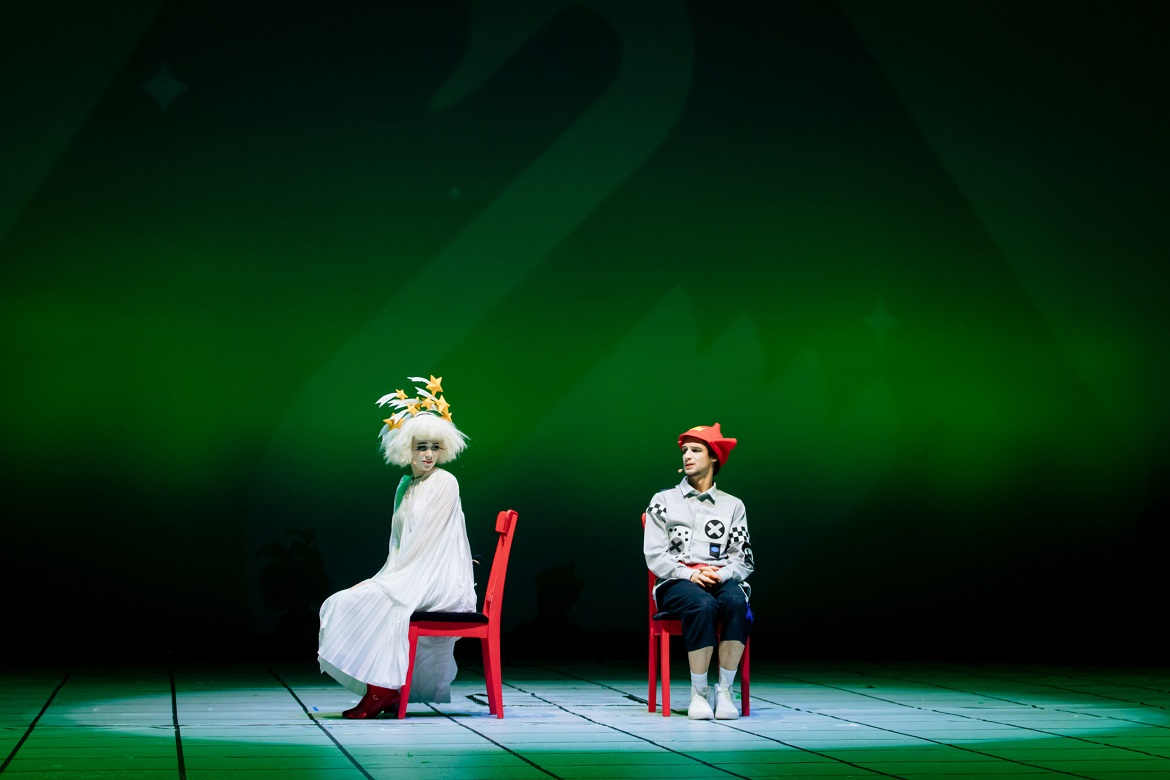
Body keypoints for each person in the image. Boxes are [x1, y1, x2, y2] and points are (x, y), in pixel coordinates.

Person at [318, 375, 476, 719]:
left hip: (438, 577)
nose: (429, 454)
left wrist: (385, 584)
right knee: (343, 601)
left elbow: (426, 544)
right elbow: (399, 547)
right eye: (421, 447)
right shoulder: (405, 485)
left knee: (377, 602)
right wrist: (381, 578)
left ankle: (382, 690)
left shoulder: (445, 482)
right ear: (408, 450)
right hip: (412, 572)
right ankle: (382, 688)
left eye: (434, 447)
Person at [643, 423, 753, 720]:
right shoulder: (663, 501)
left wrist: (721, 574)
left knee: (735, 602)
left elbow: (743, 558)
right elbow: (655, 555)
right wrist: (689, 574)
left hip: (720, 577)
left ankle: (726, 691)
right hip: (676, 580)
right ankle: (700, 692)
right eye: (684, 451)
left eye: (695, 450)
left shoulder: (733, 505)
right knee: (702, 604)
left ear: (714, 456)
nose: (687, 456)